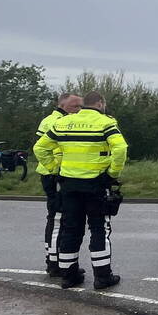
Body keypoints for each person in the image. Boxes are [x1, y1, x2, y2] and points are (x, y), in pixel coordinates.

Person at [33, 91, 128, 289]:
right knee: (99, 228)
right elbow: (120, 149)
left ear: (84, 104)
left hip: (68, 184)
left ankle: (69, 275)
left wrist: (53, 169)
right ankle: (102, 276)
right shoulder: (106, 122)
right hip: (96, 184)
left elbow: (39, 149)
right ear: (100, 103)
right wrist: (112, 173)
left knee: (70, 228)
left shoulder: (63, 123)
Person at [35, 92, 83, 276]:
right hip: (53, 175)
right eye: (75, 106)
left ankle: (58, 260)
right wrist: (55, 169)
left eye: (80, 106)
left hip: (59, 175)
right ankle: (53, 263)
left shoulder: (63, 120)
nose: (79, 110)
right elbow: (41, 148)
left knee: (61, 219)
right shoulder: (53, 121)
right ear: (63, 105)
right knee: (56, 219)